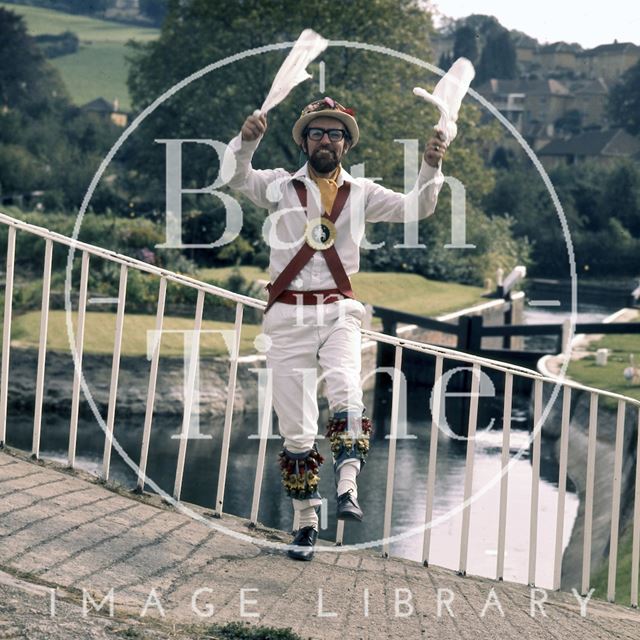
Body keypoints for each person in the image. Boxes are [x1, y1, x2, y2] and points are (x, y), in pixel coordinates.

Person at [224, 96, 447, 560]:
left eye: (336, 133)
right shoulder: (280, 186)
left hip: (339, 311)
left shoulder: (363, 192)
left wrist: (430, 168)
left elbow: (417, 208)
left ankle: (347, 489)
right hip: (286, 317)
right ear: (304, 140)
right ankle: (306, 523)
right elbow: (234, 177)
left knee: (347, 389)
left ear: (347, 143)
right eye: (318, 132)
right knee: (296, 430)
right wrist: (246, 143)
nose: (327, 140)